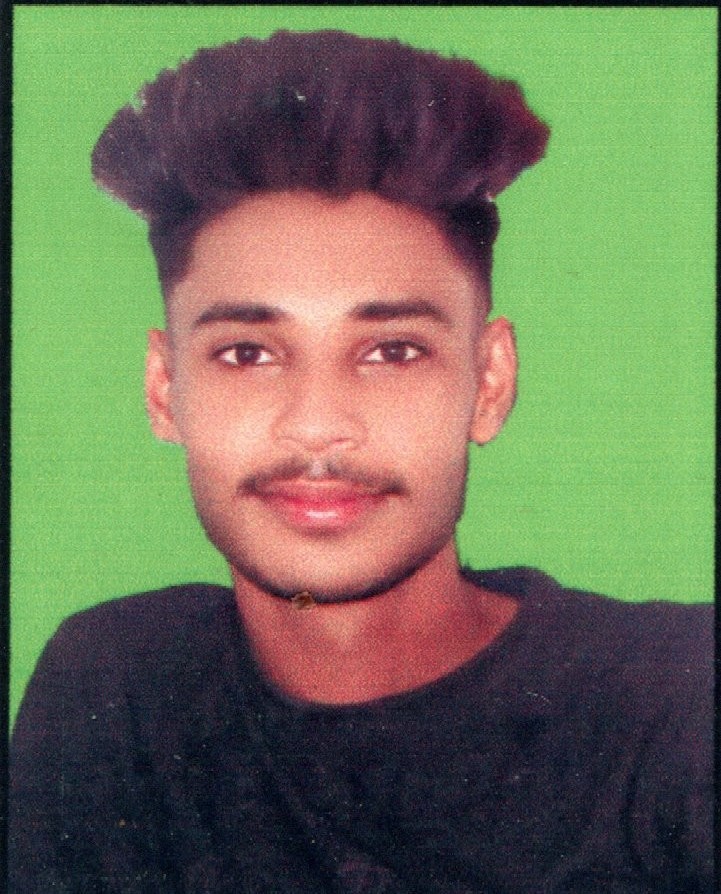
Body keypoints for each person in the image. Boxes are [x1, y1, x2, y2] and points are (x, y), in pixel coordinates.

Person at [9, 30, 712, 894]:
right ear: (164, 390)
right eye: (246, 354)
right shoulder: (114, 687)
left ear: (489, 383)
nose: (316, 428)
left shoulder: (679, 698)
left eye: (391, 352)